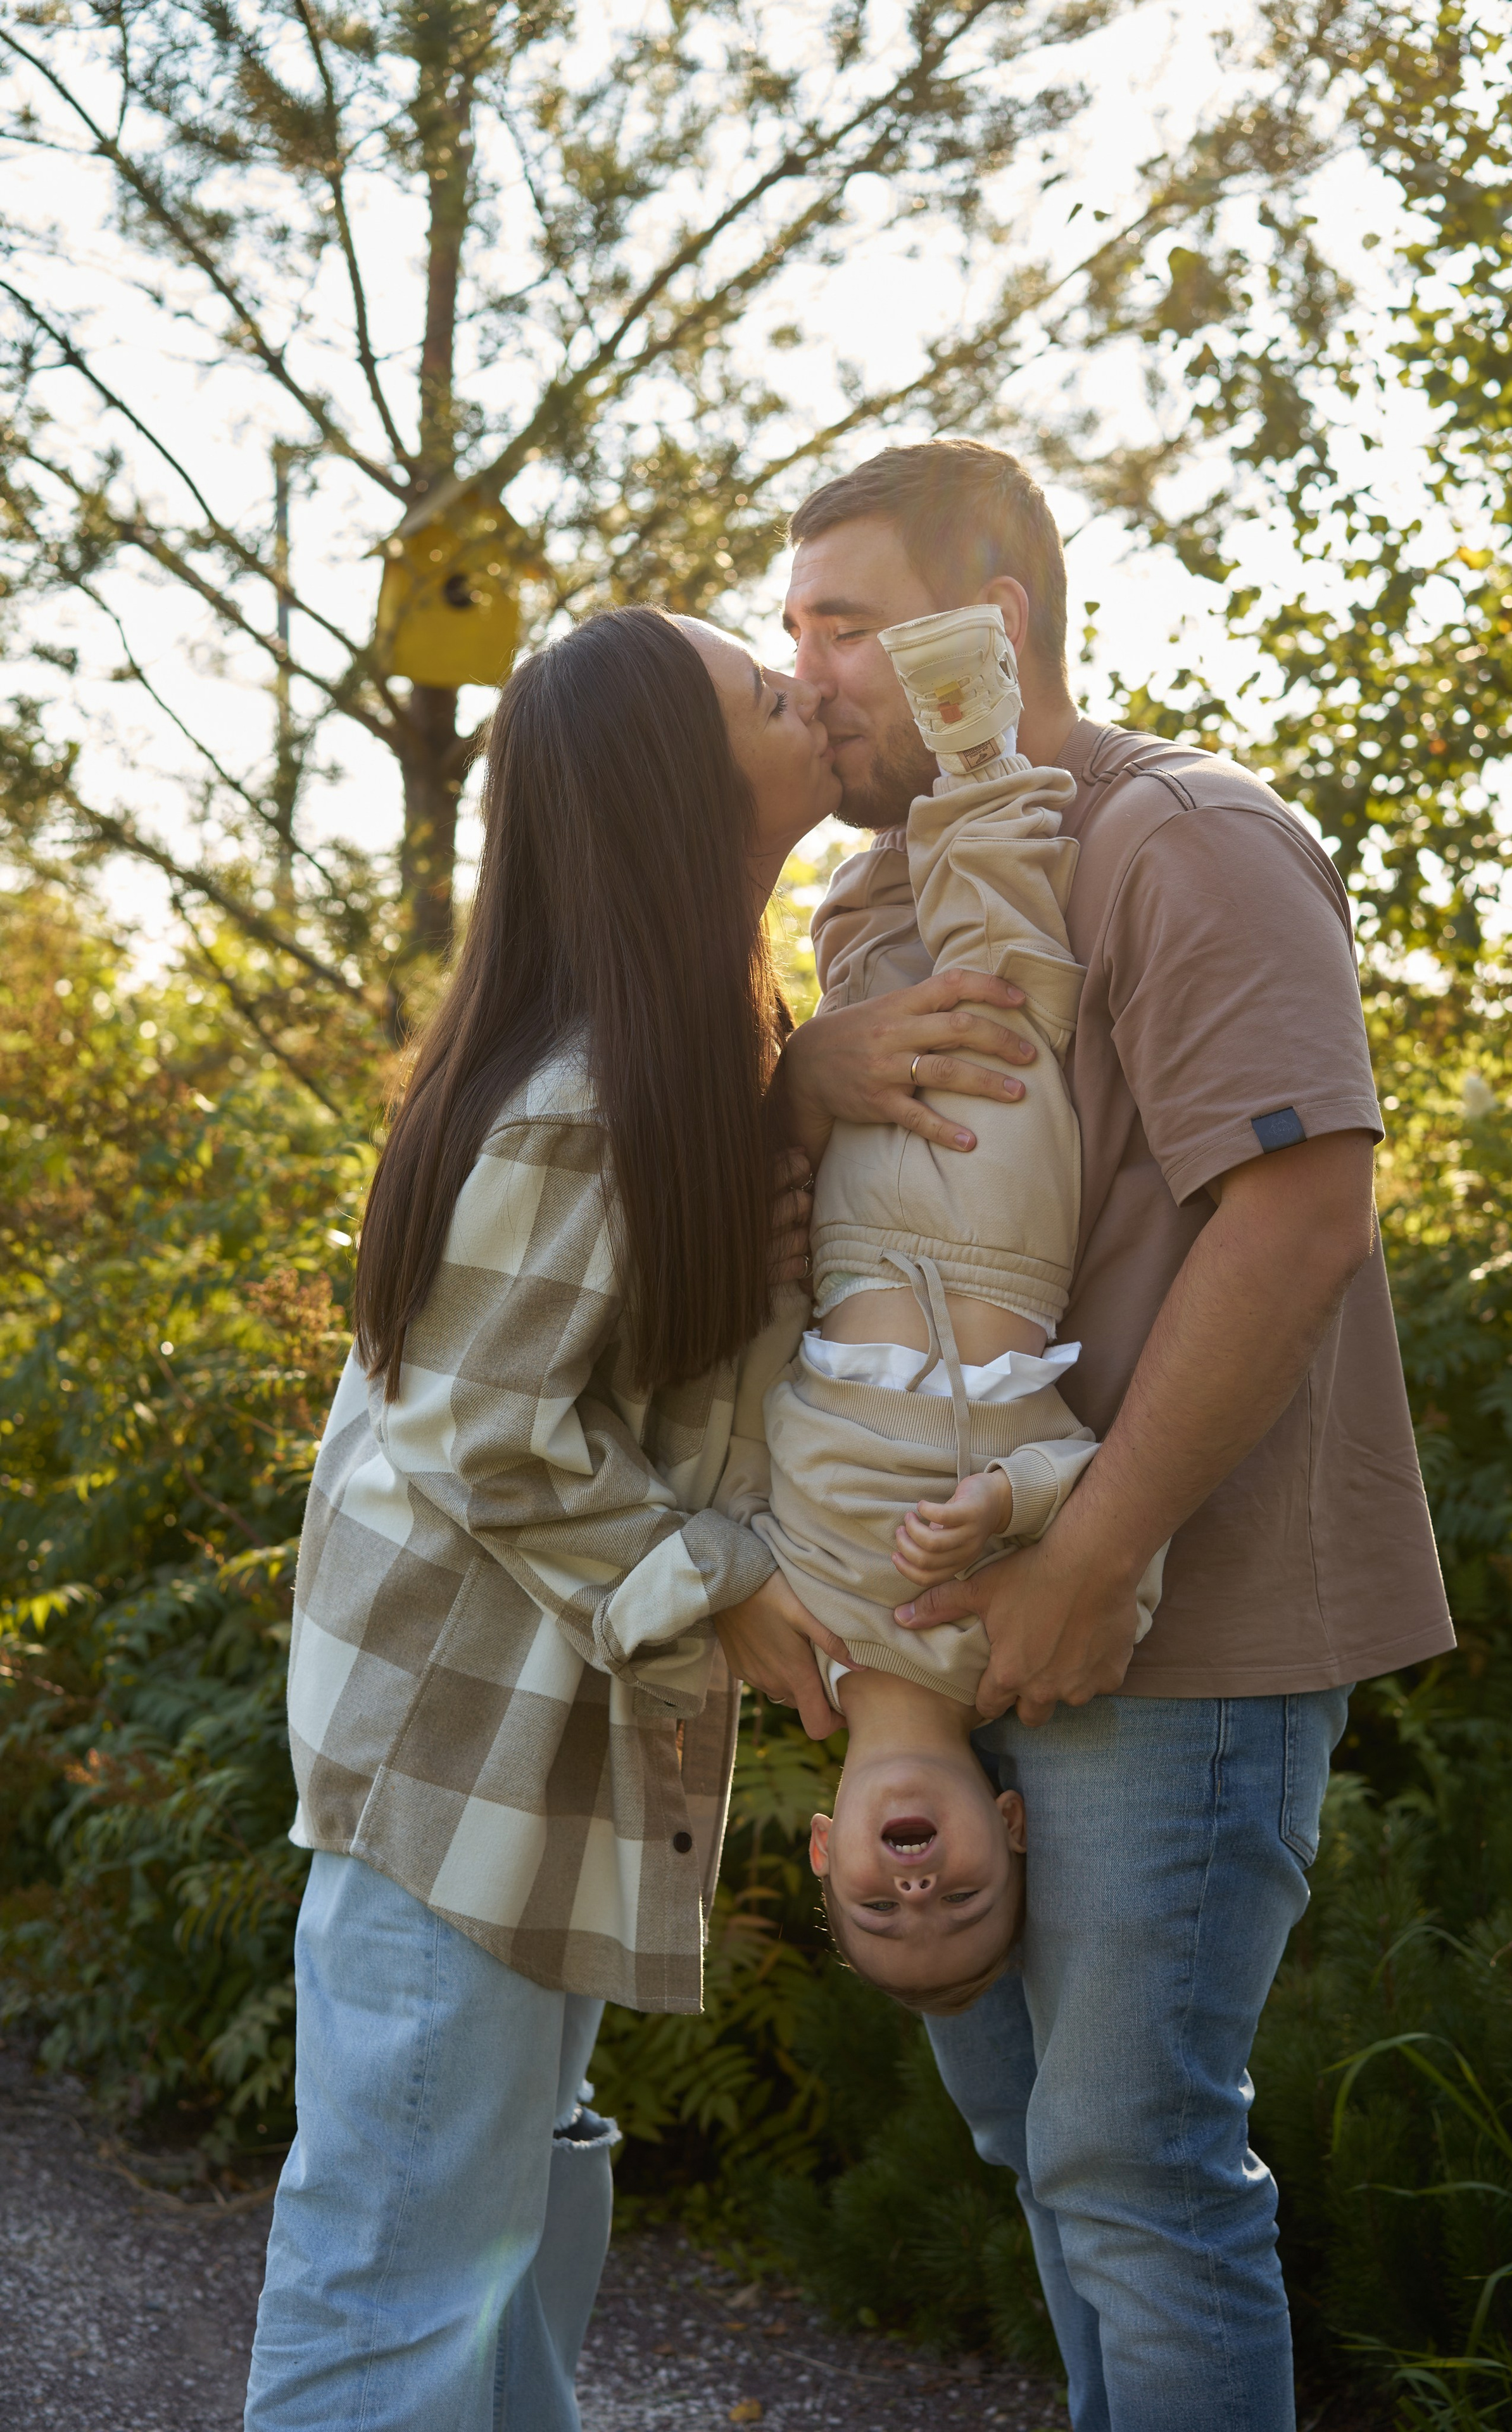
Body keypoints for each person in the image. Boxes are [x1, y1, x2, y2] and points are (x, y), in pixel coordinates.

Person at [243, 603, 1039, 2432]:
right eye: (765, 691)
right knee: (399, 2268)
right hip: (458, 1763)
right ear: (685, 790)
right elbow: (486, 1426)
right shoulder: (585, 1096)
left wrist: (789, 1100)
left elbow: (657, 1376)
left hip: (538, 1762)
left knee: (514, 2219)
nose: (808, 689)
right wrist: (726, 1591)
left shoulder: (680, 1062)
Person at [778, 438, 1455, 2432]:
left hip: (1181, 1619)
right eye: (791, 629)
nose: (806, 676)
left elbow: (1302, 1213)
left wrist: (1090, 1551)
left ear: (989, 625)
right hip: (955, 1632)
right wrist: (802, 1078)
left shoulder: (1187, 839)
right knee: (1043, 2156)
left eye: (846, 626)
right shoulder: (871, 899)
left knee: (1135, 2166)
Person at [719, 603, 1159, 2013]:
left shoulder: (788, 1640)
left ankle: (879, 857)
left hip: (846, 1252)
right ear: (1009, 1826)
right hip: (994, 1250)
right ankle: (972, 727)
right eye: (959, 1898)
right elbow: (1116, 1511)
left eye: (879, 1905)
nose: (917, 1889)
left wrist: (721, 1594)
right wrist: (1011, 1504)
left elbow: (715, 1477)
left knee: (867, 982)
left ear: (823, 1848)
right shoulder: (1015, 1653)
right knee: (997, 1002)